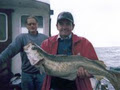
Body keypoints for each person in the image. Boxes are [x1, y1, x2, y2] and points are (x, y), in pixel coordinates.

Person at [41, 11, 99, 90]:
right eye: (61, 24)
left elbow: (96, 66)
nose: (64, 27)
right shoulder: (47, 43)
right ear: (57, 26)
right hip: (54, 86)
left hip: (77, 86)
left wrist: (87, 74)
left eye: (68, 24)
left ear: (73, 26)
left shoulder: (85, 43)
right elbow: (41, 67)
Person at [0, 16, 48, 90]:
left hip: (41, 73)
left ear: (37, 25)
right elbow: (10, 51)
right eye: (30, 24)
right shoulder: (21, 38)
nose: (32, 25)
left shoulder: (45, 38)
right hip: (27, 74)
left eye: (34, 24)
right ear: (26, 26)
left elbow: (52, 54)